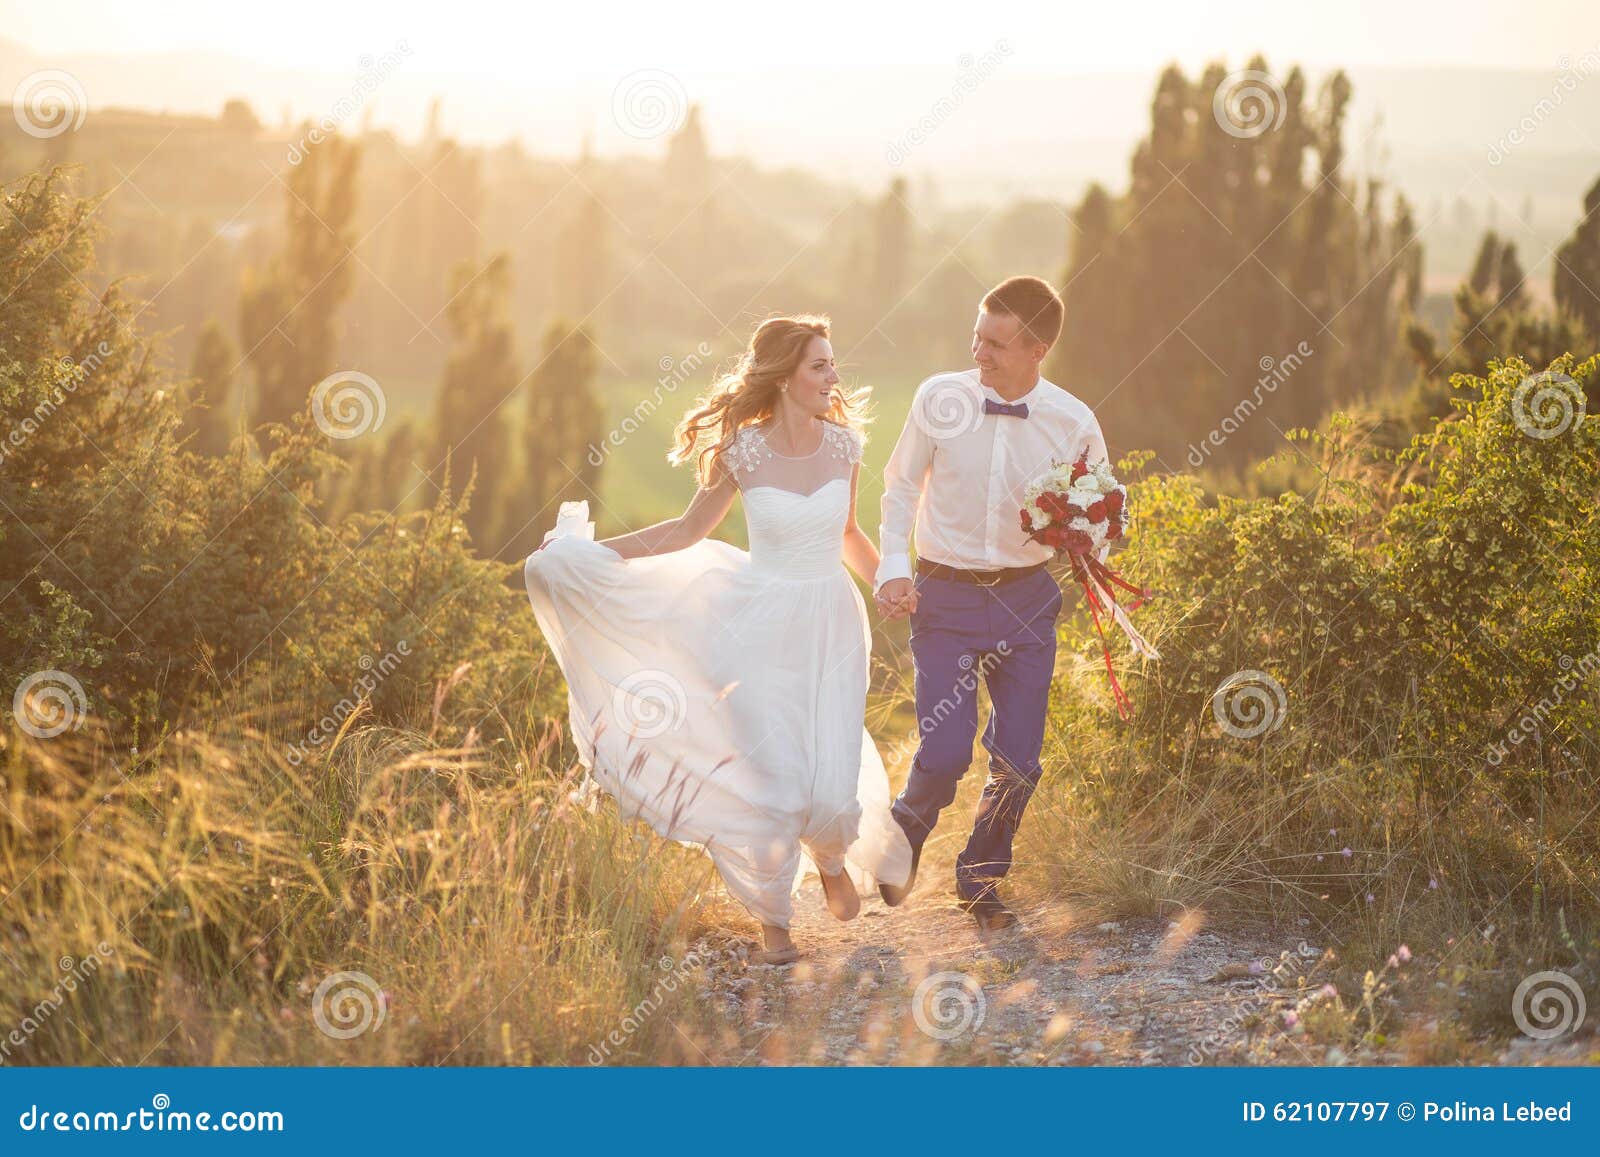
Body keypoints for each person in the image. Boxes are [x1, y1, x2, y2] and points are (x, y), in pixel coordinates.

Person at [524, 315, 911, 965]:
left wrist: (891, 582)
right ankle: (775, 925)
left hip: (832, 620)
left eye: (833, 364)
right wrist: (587, 551)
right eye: (820, 365)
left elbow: (848, 533)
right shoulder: (744, 451)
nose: (833, 377)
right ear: (786, 376)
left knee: (829, 769)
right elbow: (684, 530)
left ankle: (831, 852)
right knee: (772, 774)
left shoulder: (843, 446)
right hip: (758, 622)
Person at [874, 276, 1109, 932]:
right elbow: (898, 490)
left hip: (1028, 600)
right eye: (976, 336)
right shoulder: (937, 398)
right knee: (946, 750)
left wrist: (1090, 546)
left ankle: (980, 875)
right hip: (943, 593)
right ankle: (905, 833)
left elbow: (1097, 517)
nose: (978, 351)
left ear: (1037, 350)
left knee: (1020, 758)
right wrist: (894, 570)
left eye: (995, 343)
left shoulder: (1073, 421)